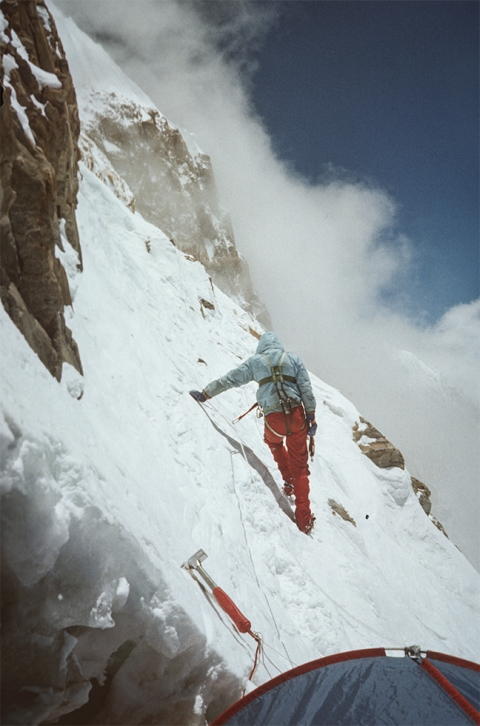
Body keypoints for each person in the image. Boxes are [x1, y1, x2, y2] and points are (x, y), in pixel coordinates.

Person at [190, 332, 317, 534]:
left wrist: (206, 393)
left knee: (274, 443)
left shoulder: (256, 362)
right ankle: (304, 520)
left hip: (274, 419)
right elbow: (306, 390)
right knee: (300, 467)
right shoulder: (293, 359)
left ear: (262, 347)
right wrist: (311, 416)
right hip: (296, 417)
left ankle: (287, 479)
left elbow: (230, 379)